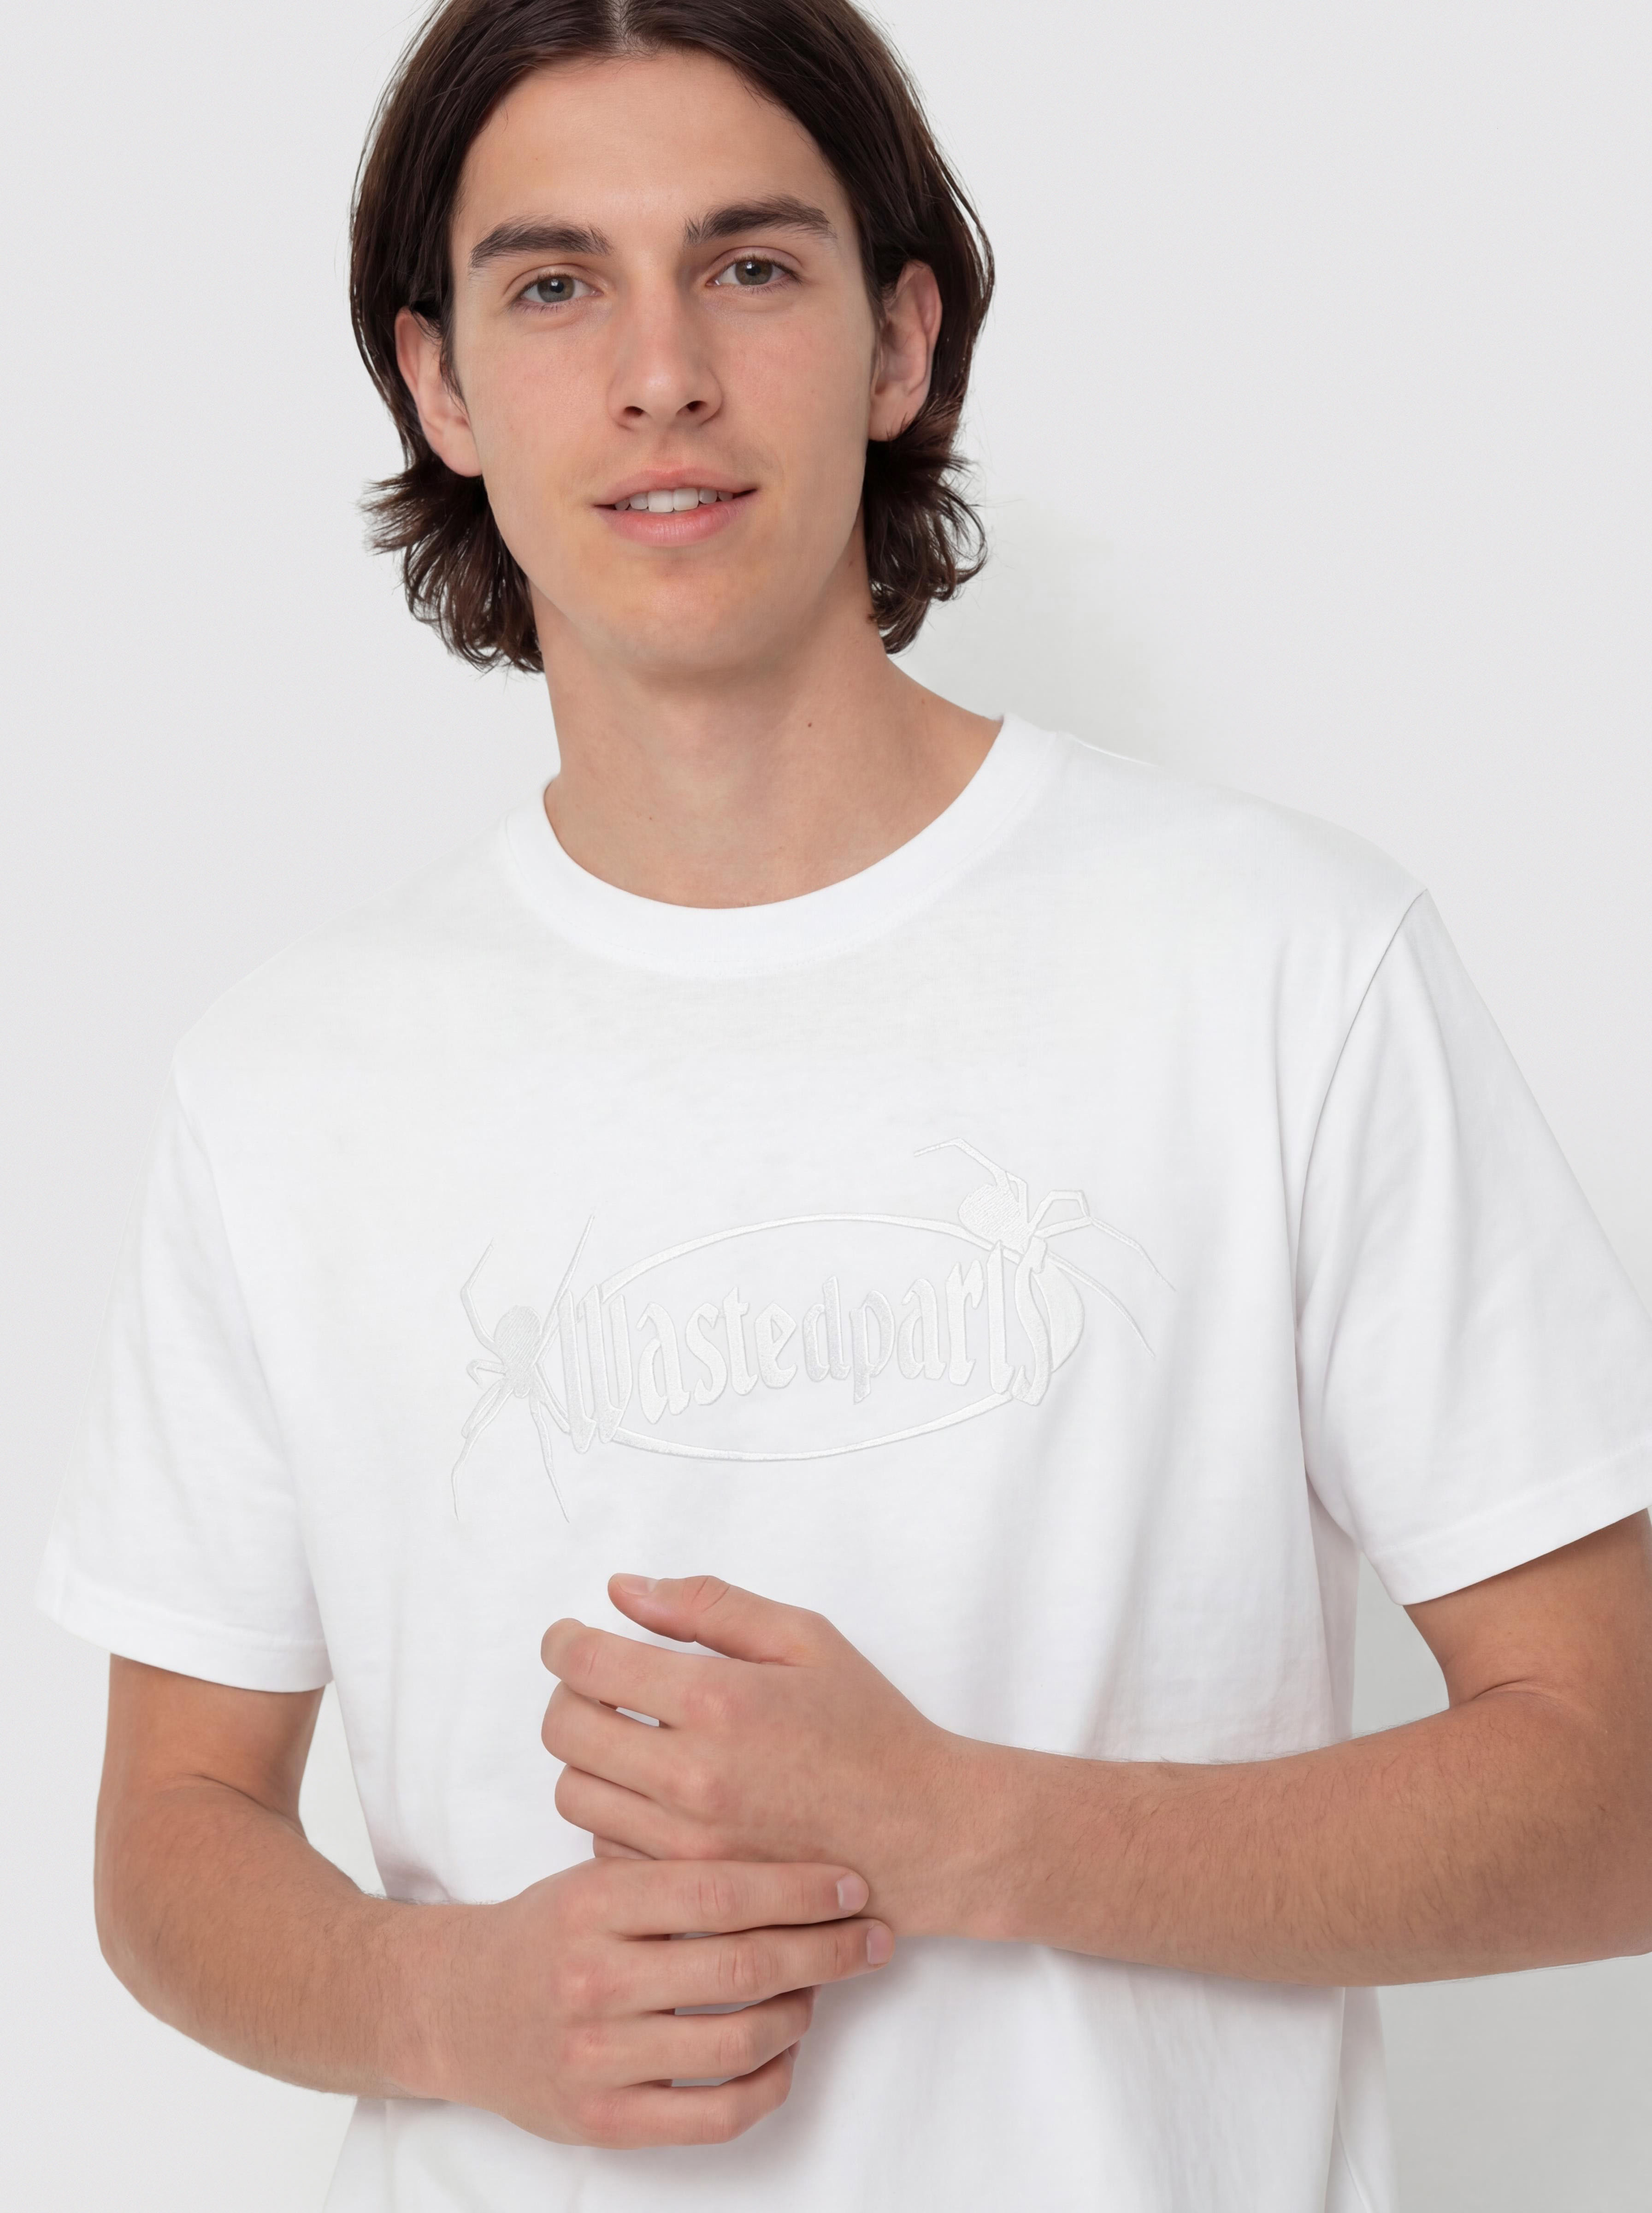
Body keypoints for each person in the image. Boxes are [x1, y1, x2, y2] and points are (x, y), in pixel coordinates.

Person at [38, 0, 1652, 2207]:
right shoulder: (286, 1081)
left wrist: (965, 1831)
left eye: (749, 266)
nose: (661, 374)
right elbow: (169, 1835)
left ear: (900, 341)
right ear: (440, 385)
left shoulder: (1281, 963)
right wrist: (443, 2007)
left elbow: (1616, 1786)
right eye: (553, 283)